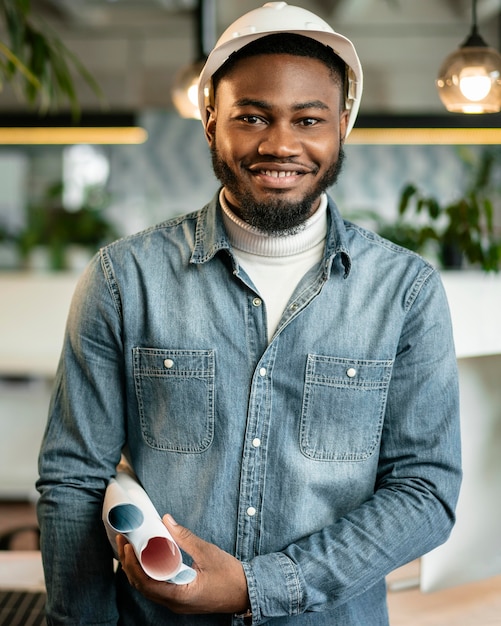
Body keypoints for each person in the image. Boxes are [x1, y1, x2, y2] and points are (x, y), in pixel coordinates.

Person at [36, 3, 462, 624]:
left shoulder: (406, 293)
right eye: (252, 116)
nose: (280, 144)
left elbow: (424, 494)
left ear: (341, 125)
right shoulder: (123, 280)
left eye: (308, 119)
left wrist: (255, 587)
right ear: (211, 124)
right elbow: (73, 480)